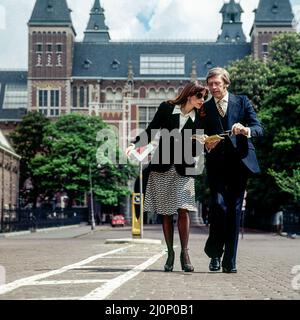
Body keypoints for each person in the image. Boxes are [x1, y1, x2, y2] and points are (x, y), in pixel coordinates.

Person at [126, 82, 208, 272]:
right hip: (162, 166)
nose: (202, 101)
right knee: (165, 211)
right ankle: (170, 252)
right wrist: (133, 144)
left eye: (204, 97)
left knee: (184, 208)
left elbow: (196, 148)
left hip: (185, 168)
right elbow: (152, 130)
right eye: (200, 97)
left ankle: (184, 253)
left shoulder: (200, 117)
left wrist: (202, 143)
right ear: (189, 95)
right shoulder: (167, 108)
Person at [202, 67, 263, 273]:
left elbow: (258, 127)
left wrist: (245, 130)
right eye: (210, 84)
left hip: (239, 164)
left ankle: (229, 261)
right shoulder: (205, 107)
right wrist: (204, 142)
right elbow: (198, 134)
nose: (213, 87)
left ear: (225, 83)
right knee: (219, 206)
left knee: (234, 211)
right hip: (216, 166)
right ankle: (215, 252)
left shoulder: (242, 102)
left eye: (217, 83)